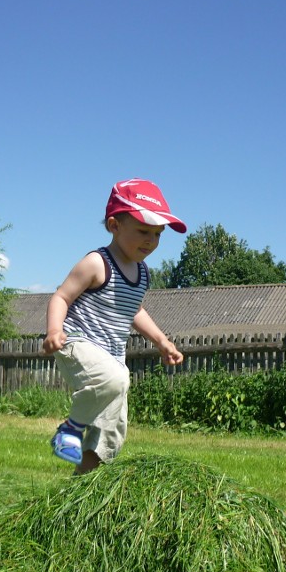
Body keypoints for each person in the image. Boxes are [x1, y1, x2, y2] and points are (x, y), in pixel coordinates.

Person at [42, 178, 186, 474]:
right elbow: (61, 296)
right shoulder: (97, 263)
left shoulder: (143, 273)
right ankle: (69, 429)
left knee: (112, 428)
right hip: (78, 343)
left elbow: (135, 310)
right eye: (143, 231)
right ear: (114, 226)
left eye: (158, 235)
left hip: (112, 356)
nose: (151, 241)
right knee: (115, 380)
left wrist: (161, 341)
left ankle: (84, 485)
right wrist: (55, 330)